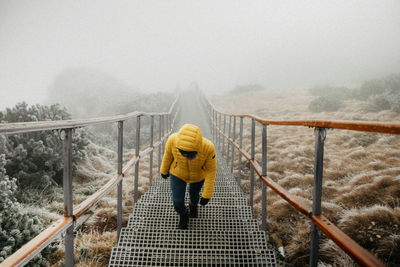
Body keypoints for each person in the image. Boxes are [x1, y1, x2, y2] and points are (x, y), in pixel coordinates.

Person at [160, 124, 217, 229]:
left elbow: (211, 170)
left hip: (198, 176)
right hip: (178, 173)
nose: (185, 156)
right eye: (183, 153)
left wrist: (207, 194)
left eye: (189, 154)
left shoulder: (208, 147)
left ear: (198, 148)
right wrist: (164, 170)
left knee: (194, 196)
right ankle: (184, 214)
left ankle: (193, 206)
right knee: (177, 203)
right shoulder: (172, 140)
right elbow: (168, 155)